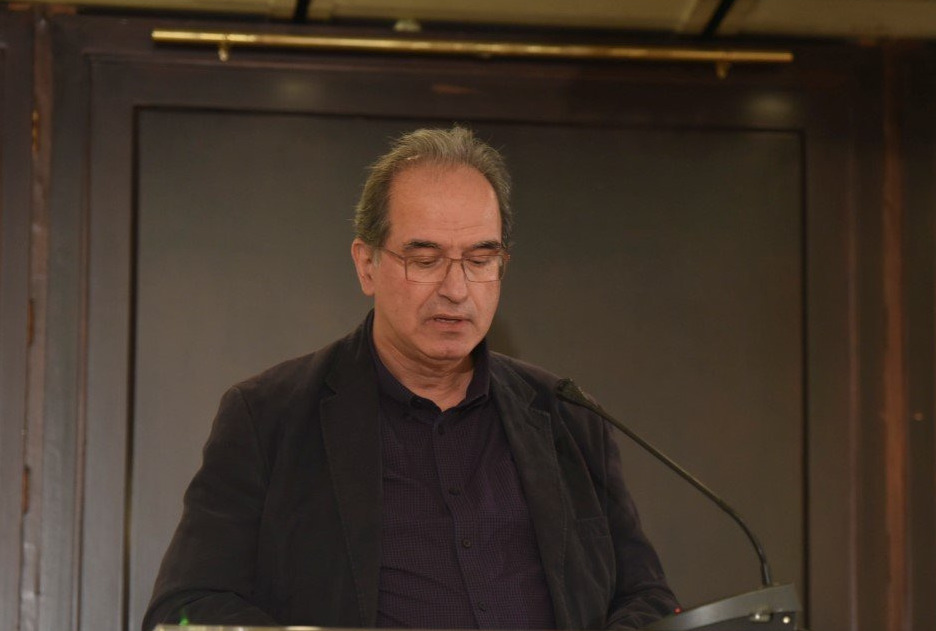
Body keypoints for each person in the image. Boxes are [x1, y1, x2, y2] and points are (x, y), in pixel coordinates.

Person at [143, 126, 678, 631]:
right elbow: (187, 610)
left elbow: (646, 597)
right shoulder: (269, 417)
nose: (456, 289)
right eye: (425, 260)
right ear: (367, 264)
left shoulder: (568, 416)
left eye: (480, 259)